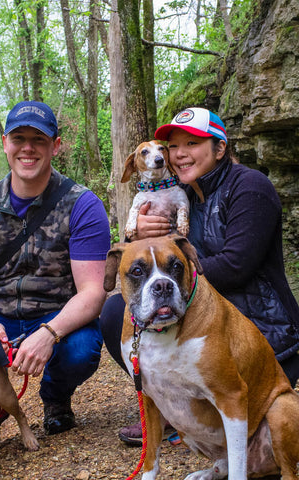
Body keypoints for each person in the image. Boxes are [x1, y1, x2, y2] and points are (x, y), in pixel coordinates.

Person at [100, 107, 299, 446]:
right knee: (117, 311)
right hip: (202, 317)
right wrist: (140, 236)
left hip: (260, 332)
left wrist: (172, 272)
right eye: (174, 145)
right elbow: (150, 262)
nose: (179, 154)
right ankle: (172, 407)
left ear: (220, 149)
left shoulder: (250, 187)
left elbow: (237, 265)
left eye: (192, 143)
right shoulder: (184, 195)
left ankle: (193, 409)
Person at [0, 100, 110, 447]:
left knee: (82, 348)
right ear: (5, 142)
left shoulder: (83, 205)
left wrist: (49, 333)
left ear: (56, 146)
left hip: (56, 312)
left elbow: (93, 292)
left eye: (40, 139)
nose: (28, 148)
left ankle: (55, 397)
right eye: (19, 138)